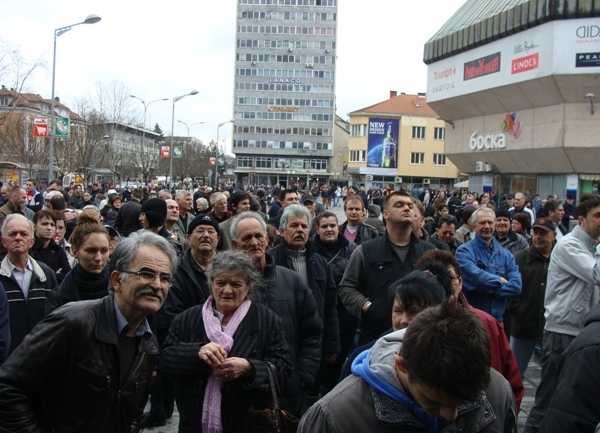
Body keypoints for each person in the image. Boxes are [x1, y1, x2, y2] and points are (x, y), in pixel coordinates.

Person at [0, 231, 177, 432]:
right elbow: (8, 387)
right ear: (117, 280)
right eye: (146, 274)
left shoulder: (148, 345)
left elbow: (132, 413)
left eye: (165, 278)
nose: (156, 285)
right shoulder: (73, 322)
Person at [298, 303, 517, 433]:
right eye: (434, 402)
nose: (451, 415)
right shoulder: (335, 417)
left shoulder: (496, 390)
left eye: (463, 402)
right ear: (402, 366)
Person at [160, 250, 293, 433]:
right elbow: (165, 360)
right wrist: (197, 353)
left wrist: (249, 368)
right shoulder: (188, 319)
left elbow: (284, 367)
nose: (227, 290)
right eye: (221, 283)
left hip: (246, 424)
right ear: (211, 285)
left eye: (236, 284)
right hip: (193, 424)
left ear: (248, 287)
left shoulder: (265, 319)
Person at [231, 211, 323, 415]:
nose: (254, 242)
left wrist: (304, 377)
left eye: (258, 236)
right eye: (247, 238)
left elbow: (312, 333)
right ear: (235, 244)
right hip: (243, 391)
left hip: (289, 389)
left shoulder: (292, 281)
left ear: (267, 240)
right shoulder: (226, 287)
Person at [525, 194, 600, 433]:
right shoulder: (569, 245)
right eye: (597, 216)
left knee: (572, 401)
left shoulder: (591, 247)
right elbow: (597, 274)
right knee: (548, 398)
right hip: (562, 332)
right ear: (581, 220)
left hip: (581, 332)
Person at [339, 192, 435, 345]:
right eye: (399, 205)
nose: (406, 208)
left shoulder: (429, 252)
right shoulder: (366, 250)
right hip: (374, 336)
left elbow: (442, 289)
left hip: (420, 337)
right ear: (385, 214)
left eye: (410, 206)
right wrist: (366, 306)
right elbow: (346, 287)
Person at [268, 205, 340, 396]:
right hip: (280, 339)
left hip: (313, 340)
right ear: (282, 231)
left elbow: (330, 307)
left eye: (304, 226)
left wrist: (332, 343)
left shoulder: (320, 263)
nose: (300, 230)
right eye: (294, 225)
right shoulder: (270, 261)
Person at [0, 214, 58, 353]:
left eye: (23, 234)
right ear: (3, 241)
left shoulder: (46, 274)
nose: (18, 238)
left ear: (32, 241)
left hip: (41, 357)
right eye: (12, 234)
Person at [538, 303, 600, 433]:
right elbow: (565, 419)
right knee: (544, 402)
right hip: (563, 328)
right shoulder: (591, 349)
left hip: (572, 328)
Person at [456, 208, 522, 323]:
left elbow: (516, 287)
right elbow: (475, 278)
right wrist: (499, 280)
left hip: (498, 322)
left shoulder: (506, 255)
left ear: (495, 225)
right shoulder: (463, 252)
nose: (487, 226)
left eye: (490, 222)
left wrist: (492, 291)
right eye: (482, 223)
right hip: (472, 322)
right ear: (473, 226)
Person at [509, 217, 556, 378]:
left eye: (543, 233)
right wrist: (519, 310)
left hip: (551, 326)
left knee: (551, 375)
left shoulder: (560, 258)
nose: (538, 237)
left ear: (553, 235)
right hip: (524, 326)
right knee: (515, 373)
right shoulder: (521, 258)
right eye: (535, 233)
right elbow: (510, 288)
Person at [48, 213, 111, 310]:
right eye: (91, 251)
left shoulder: (122, 286)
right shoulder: (59, 296)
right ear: (74, 251)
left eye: (104, 250)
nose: (98, 258)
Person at [30, 210, 71, 283]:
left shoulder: (58, 250)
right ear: (35, 226)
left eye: (52, 225)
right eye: (44, 224)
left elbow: (68, 275)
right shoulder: (29, 248)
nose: (49, 228)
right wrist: (54, 275)